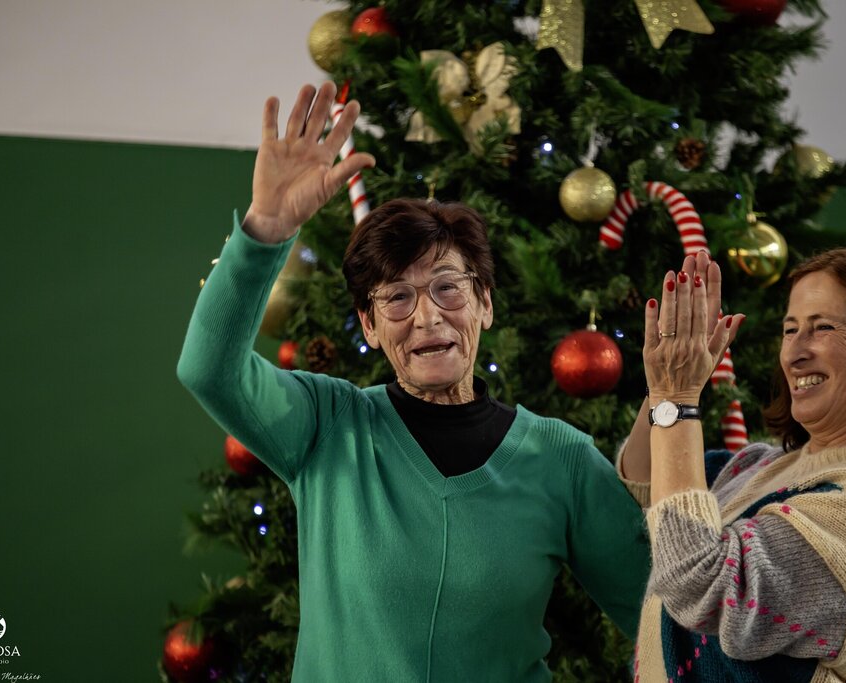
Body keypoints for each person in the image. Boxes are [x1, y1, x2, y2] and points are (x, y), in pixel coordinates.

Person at [177, 81, 648, 681]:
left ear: (484, 303)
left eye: (448, 288)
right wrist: (265, 228)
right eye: (397, 297)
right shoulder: (327, 426)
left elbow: (661, 613)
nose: (426, 317)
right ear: (369, 326)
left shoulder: (563, 459)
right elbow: (208, 369)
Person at [617, 248, 846, 681]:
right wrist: (665, 384)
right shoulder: (764, 465)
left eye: (823, 328)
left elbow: (706, 589)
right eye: (790, 329)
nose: (794, 354)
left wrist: (678, 398)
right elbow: (648, 480)